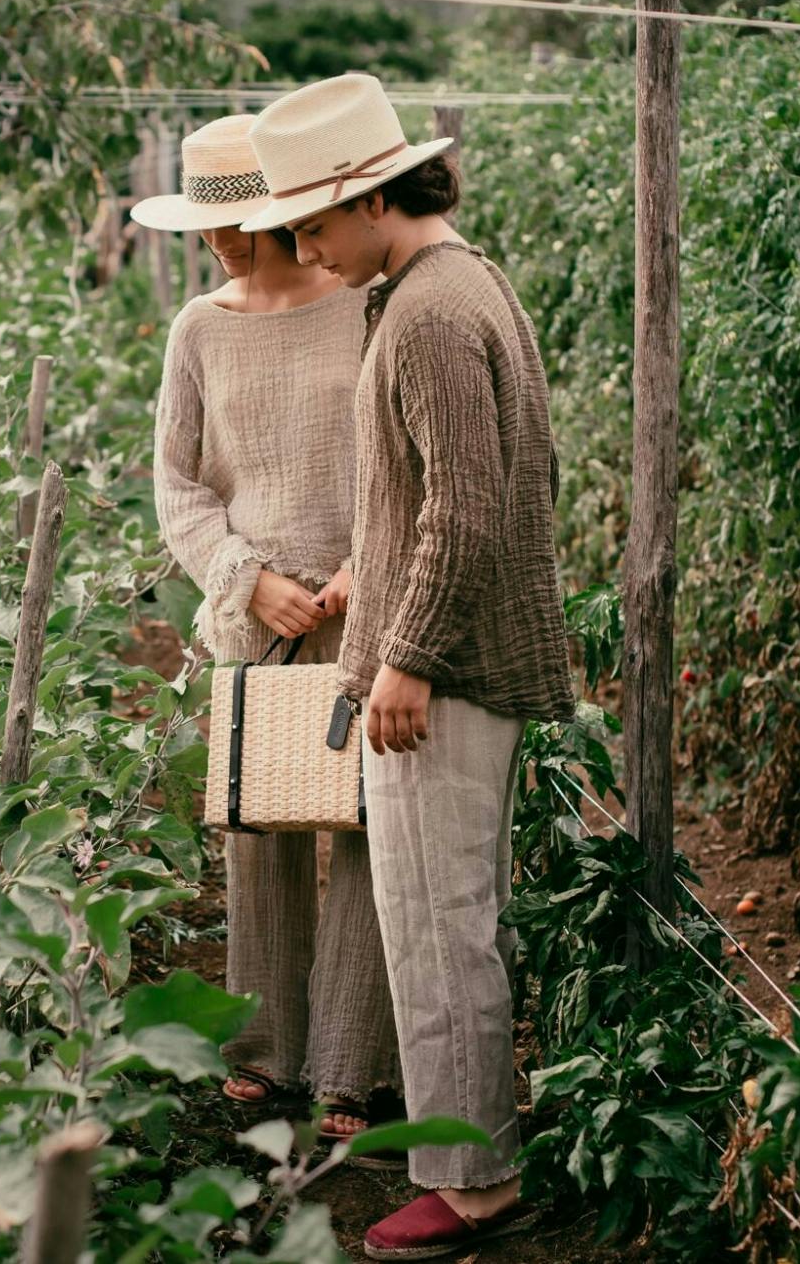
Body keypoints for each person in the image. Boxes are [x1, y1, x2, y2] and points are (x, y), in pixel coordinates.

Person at [243, 74, 576, 1258]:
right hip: (450, 666)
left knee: (437, 929)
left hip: (446, 679)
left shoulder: (431, 312)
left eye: (314, 224)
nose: (303, 248)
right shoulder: (449, 283)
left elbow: (469, 511)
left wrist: (408, 656)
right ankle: (472, 1154)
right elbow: (448, 499)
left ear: (373, 199)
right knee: (446, 919)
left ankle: (472, 1184)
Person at [141, 114, 403, 1145]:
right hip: (257, 621)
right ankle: (262, 1051)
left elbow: (399, 460)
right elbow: (177, 484)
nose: (217, 245)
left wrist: (356, 569)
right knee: (260, 829)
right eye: (205, 229)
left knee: (364, 823)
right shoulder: (197, 328)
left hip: (361, 605)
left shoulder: (362, 307)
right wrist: (245, 581)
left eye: (235, 226)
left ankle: (351, 1066)